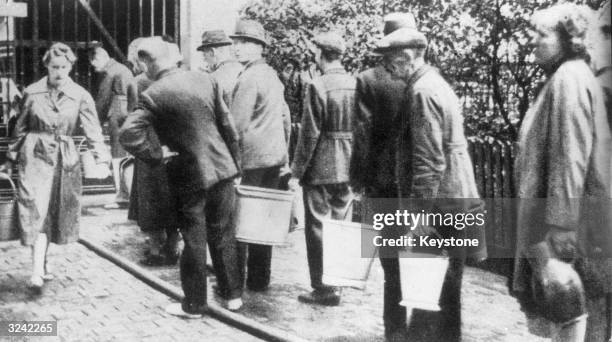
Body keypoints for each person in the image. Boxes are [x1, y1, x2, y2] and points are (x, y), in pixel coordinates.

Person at [376, 24, 487, 341]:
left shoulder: (422, 92)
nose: (385, 65)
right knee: (445, 292)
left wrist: (418, 215)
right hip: (456, 197)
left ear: (408, 56)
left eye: (389, 58)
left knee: (430, 291)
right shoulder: (434, 83)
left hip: (441, 202)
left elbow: (428, 160)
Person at [120, 37, 244, 314]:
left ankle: (194, 304)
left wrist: (157, 153)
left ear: (149, 62)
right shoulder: (206, 79)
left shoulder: (153, 94)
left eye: (142, 63)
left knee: (194, 239)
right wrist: (236, 165)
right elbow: (228, 126)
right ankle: (233, 295)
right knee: (224, 233)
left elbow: (127, 133)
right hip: (223, 169)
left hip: (189, 176)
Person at [513, 4, 611, 342]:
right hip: (576, 231)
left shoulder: (569, 78)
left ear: (568, 39)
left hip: (573, 235)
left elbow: (570, 160)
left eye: (541, 35)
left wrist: (560, 235)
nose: (532, 41)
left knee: (577, 323)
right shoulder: (564, 76)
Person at [0, 42, 110, 294]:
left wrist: (101, 157)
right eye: (54, 67)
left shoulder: (81, 95)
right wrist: (10, 158)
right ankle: (37, 270)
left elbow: (92, 128)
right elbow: (20, 128)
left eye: (63, 67)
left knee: (53, 212)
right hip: (35, 154)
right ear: (46, 66)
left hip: (64, 157)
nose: (58, 72)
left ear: (71, 66)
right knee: (35, 208)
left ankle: (43, 260)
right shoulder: (32, 92)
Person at [350, 13, 418, 340]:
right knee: (418, 255)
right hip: (417, 183)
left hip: (381, 184)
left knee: (390, 262)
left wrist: (357, 182)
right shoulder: (420, 79)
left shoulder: (367, 81)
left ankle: (395, 331)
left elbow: (361, 136)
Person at [290, 32, 356, 306]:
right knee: (341, 227)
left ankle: (323, 288)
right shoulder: (356, 83)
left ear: (320, 54)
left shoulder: (317, 86)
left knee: (317, 227)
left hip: (321, 166)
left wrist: (296, 172)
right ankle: (338, 284)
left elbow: (309, 135)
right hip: (349, 164)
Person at [229, 19, 291, 292]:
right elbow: (285, 118)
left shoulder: (248, 78)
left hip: (251, 161)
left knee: (241, 221)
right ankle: (259, 278)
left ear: (258, 47)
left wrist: (232, 161)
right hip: (274, 158)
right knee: (264, 221)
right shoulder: (272, 75)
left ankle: (234, 280)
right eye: (236, 42)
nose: (237, 48)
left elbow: (237, 126)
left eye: (244, 43)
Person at [124, 37, 180, 266]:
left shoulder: (137, 83)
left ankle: (156, 249)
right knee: (171, 198)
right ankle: (173, 244)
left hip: (148, 148)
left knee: (149, 200)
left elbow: (132, 118)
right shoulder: (176, 79)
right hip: (171, 146)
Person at [88, 41, 138, 209]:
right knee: (128, 157)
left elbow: (103, 100)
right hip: (128, 113)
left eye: (93, 61)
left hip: (117, 113)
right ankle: (129, 194)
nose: (93, 66)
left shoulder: (110, 72)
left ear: (101, 57)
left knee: (118, 157)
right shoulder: (123, 69)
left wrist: (95, 121)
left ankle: (122, 196)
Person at [197, 30, 243, 106]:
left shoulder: (213, 79)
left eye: (204, 54)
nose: (204, 59)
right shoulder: (241, 68)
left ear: (212, 52)